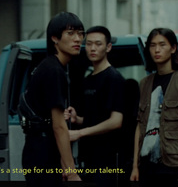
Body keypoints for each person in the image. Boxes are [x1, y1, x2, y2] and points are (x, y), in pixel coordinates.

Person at [130, 28, 178, 187]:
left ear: (173, 48)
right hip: (146, 165)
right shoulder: (144, 83)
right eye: (152, 45)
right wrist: (135, 166)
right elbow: (139, 126)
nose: (157, 50)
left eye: (162, 44)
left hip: (174, 164)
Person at [20, 11, 84, 187]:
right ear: (55, 38)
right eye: (70, 34)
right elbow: (58, 126)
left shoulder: (51, 66)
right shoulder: (53, 70)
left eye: (80, 33)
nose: (77, 39)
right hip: (42, 154)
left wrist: (64, 164)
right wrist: (72, 173)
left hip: (41, 150)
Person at [64, 26, 125, 187]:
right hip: (87, 156)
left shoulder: (114, 78)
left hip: (107, 158)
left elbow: (116, 121)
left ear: (108, 47)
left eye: (98, 44)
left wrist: (79, 133)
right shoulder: (88, 79)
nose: (92, 48)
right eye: (89, 44)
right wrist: (77, 119)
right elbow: (95, 118)